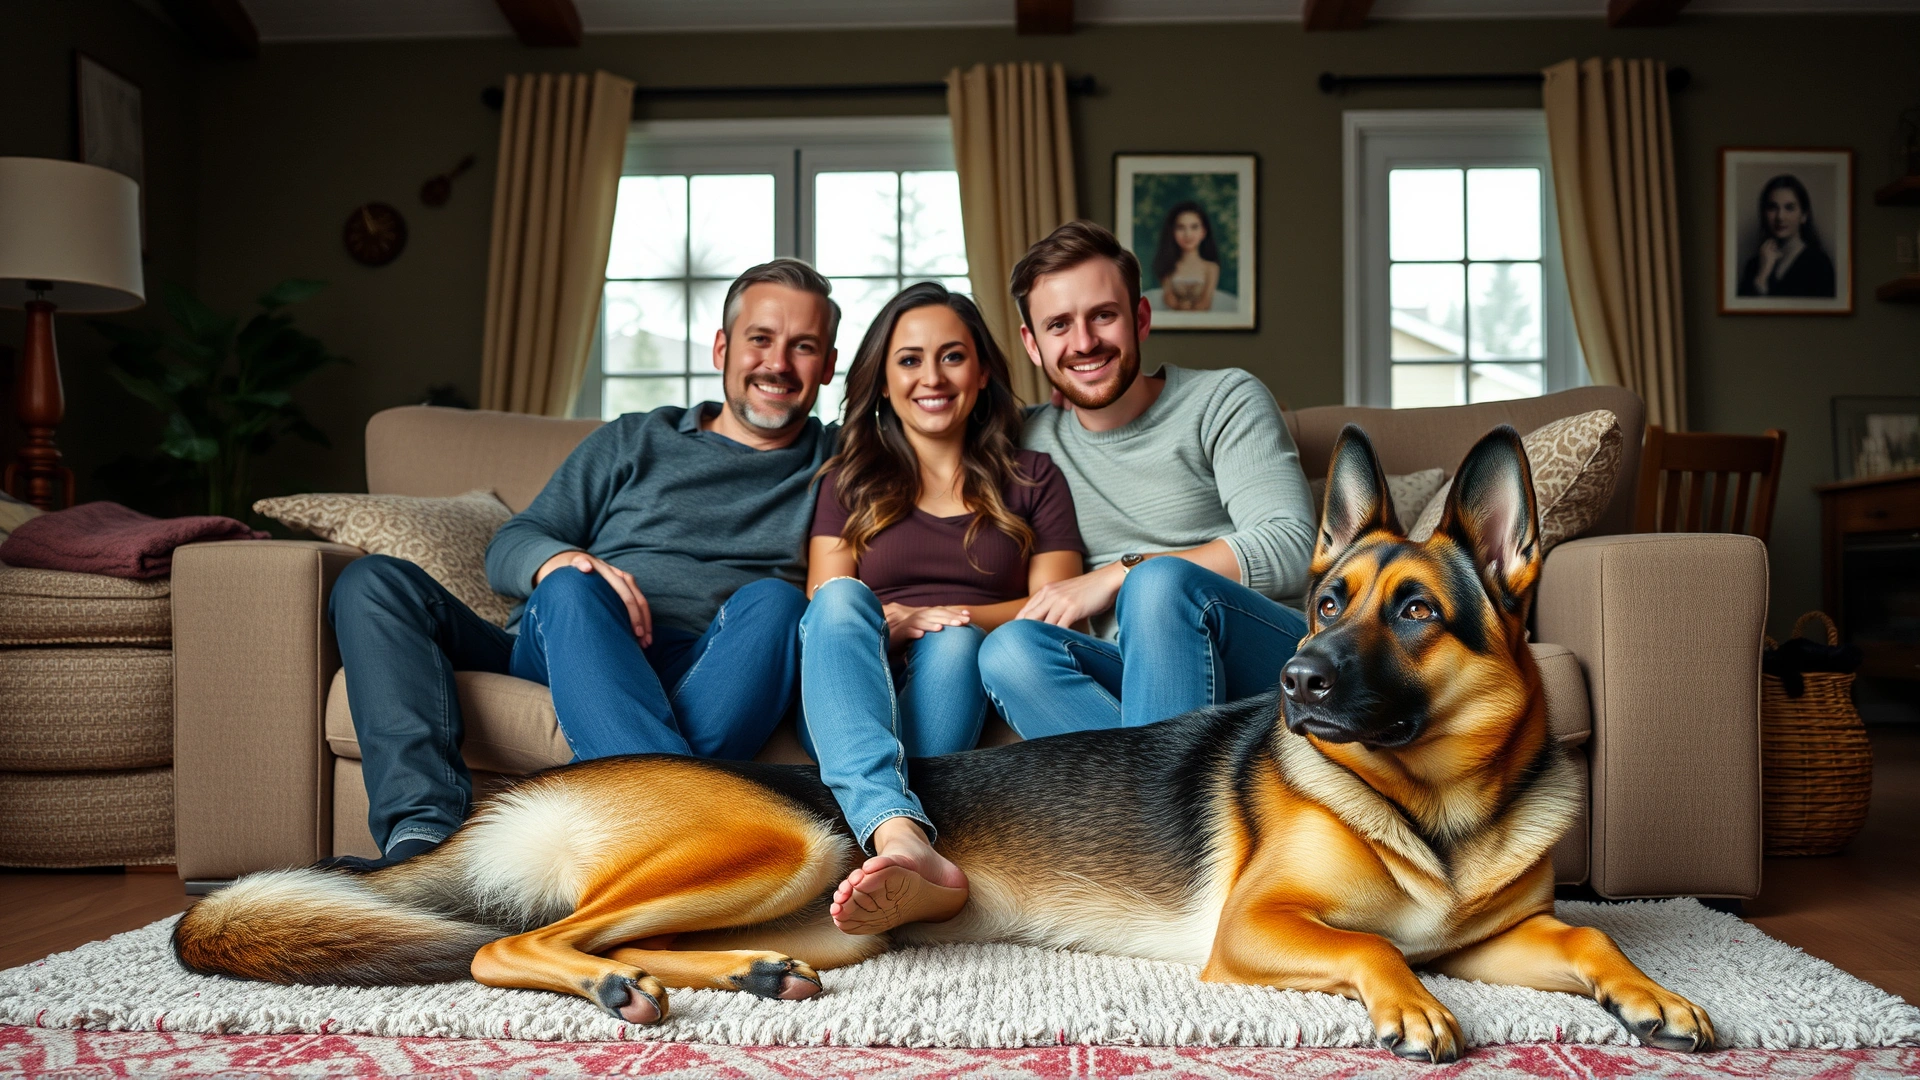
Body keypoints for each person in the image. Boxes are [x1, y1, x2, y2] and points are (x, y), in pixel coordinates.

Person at [325, 258, 841, 870]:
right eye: (760, 339)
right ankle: (426, 844)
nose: (777, 364)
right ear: (723, 347)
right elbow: (516, 541)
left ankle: (646, 825)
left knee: (780, 604)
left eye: (803, 347)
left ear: (829, 366)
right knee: (376, 583)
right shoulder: (635, 440)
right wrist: (561, 561)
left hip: (711, 661)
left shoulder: (845, 461)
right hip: (570, 637)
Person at [800, 281, 1085, 934]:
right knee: (846, 597)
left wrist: (949, 615)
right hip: (854, 675)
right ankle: (901, 840)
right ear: (882, 379)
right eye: (909, 359)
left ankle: (896, 847)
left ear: (983, 371)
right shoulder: (845, 479)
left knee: (956, 646)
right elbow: (827, 602)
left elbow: (1057, 606)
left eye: (952, 356)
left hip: (959, 675)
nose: (932, 377)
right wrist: (891, 619)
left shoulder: (1034, 476)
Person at [977, 220, 1316, 738]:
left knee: (1154, 584)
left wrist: (1123, 571)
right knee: (1009, 649)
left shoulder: (1223, 400)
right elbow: (910, 441)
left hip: (1263, 654)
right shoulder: (1025, 438)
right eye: (1059, 326)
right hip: (1132, 671)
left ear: (1139, 318)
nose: (1084, 342)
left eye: (1103, 316)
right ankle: (1165, 808)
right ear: (1032, 343)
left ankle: (1160, 801)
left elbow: (1293, 546)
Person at [1738, 174, 1836, 298]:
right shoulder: (1753, 266)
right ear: (1764, 214)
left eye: (1789, 208)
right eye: (1773, 208)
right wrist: (1762, 276)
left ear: (1804, 215)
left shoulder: (1819, 264)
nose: (1780, 217)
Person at [1152, 201, 1221, 312]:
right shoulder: (1167, 265)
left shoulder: (1211, 268)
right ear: (1173, 232)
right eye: (1180, 227)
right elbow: (1169, 298)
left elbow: (1206, 302)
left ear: (1203, 232)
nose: (1188, 234)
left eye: (1194, 227)